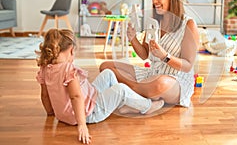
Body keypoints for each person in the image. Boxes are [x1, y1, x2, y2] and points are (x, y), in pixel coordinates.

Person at [36, 28, 164, 144]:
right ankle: (147, 106)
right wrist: (82, 125)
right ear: (71, 50)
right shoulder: (68, 70)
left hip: (72, 110)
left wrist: (51, 113)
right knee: (121, 90)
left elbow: (45, 95)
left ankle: (121, 104)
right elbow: (76, 97)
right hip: (90, 112)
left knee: (108, 73)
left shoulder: (45, 68)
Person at [99, 0, 200, 107]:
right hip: (152, 74)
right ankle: (141, 99)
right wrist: (133, 39)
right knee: (106, 66)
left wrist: (165, 56)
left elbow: (187, 66)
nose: (154, 1)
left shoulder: (188, 24)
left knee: (160, 84)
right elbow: (144, 54)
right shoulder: (155, 21)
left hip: (175, 80)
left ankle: (129, 94)